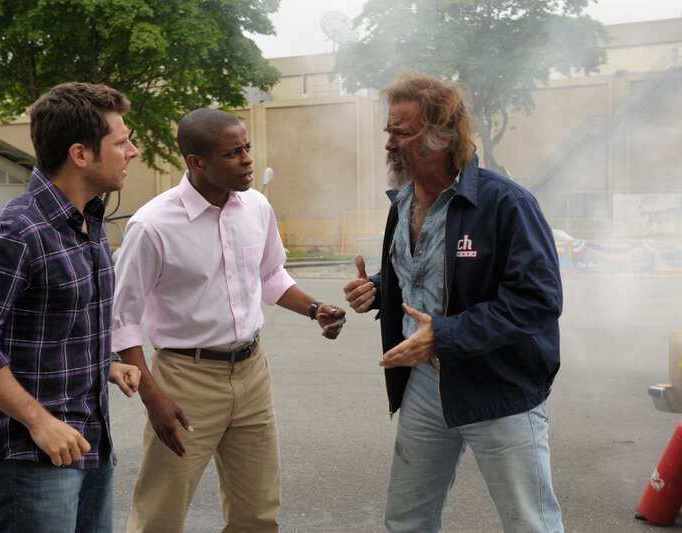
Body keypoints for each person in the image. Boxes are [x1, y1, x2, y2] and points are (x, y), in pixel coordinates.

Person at [343, 71, 564, 532]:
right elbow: (424, 273)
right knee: (407, 519)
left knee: (530, 522)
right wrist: (381, 289)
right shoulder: (402, 202)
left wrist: (441, 335)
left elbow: (536, 301)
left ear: (442, 135)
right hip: (425, 387)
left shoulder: (507, 204)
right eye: (389, 131)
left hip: (498, 389)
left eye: (401, 133)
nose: (389, 144)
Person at [111, 107, 347, 532]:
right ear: (196, 162)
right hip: (185, 379)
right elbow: (122, 319)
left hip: (252, 374)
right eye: (232, 153)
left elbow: (271, 275)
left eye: (247, 148)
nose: (247, 160)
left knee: (257, 512)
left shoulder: (256, 207)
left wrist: (315, 309)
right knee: (160, 514)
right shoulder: (152, 226)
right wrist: (152, 396)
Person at [0, 82, 142, 533]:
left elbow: (53, 322)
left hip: (92, 441)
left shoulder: (88, 221)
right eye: (121, 141)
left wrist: (104, 364)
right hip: (33, 455)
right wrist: (39, 421)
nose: (133, 151)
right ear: (80, 154)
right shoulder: (14, 233)